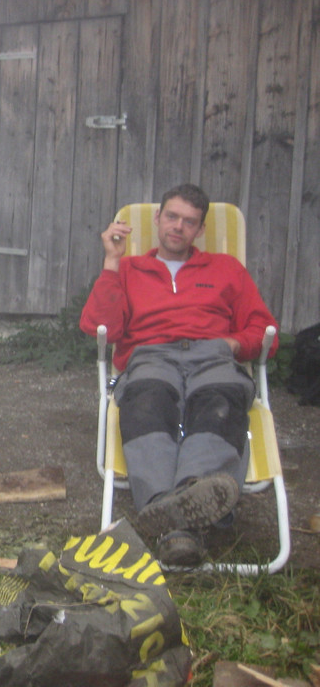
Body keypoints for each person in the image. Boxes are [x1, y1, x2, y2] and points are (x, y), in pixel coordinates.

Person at [79, 183, 278, 565]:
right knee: (147, 398)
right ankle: (179, 512)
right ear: (157, 219)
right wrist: (111, 262)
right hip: (151, 356)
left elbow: (263, 329)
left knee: (219, 399)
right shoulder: (130, 269)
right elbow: (100, 327)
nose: (178, 227)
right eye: (171, 217)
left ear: (200, 230)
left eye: (189, 222)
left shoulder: (226, 269)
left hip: (213, 355)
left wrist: (235, 345)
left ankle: (178, 505)